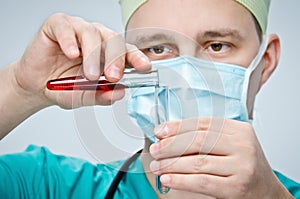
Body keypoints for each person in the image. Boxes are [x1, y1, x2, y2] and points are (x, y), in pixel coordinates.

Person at [0, 0, 300, 198]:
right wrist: (18, 88)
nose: (186, 76)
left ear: (266, 61)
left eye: (217, 45)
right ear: (126, 59)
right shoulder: (47, 186)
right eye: (158, 49)